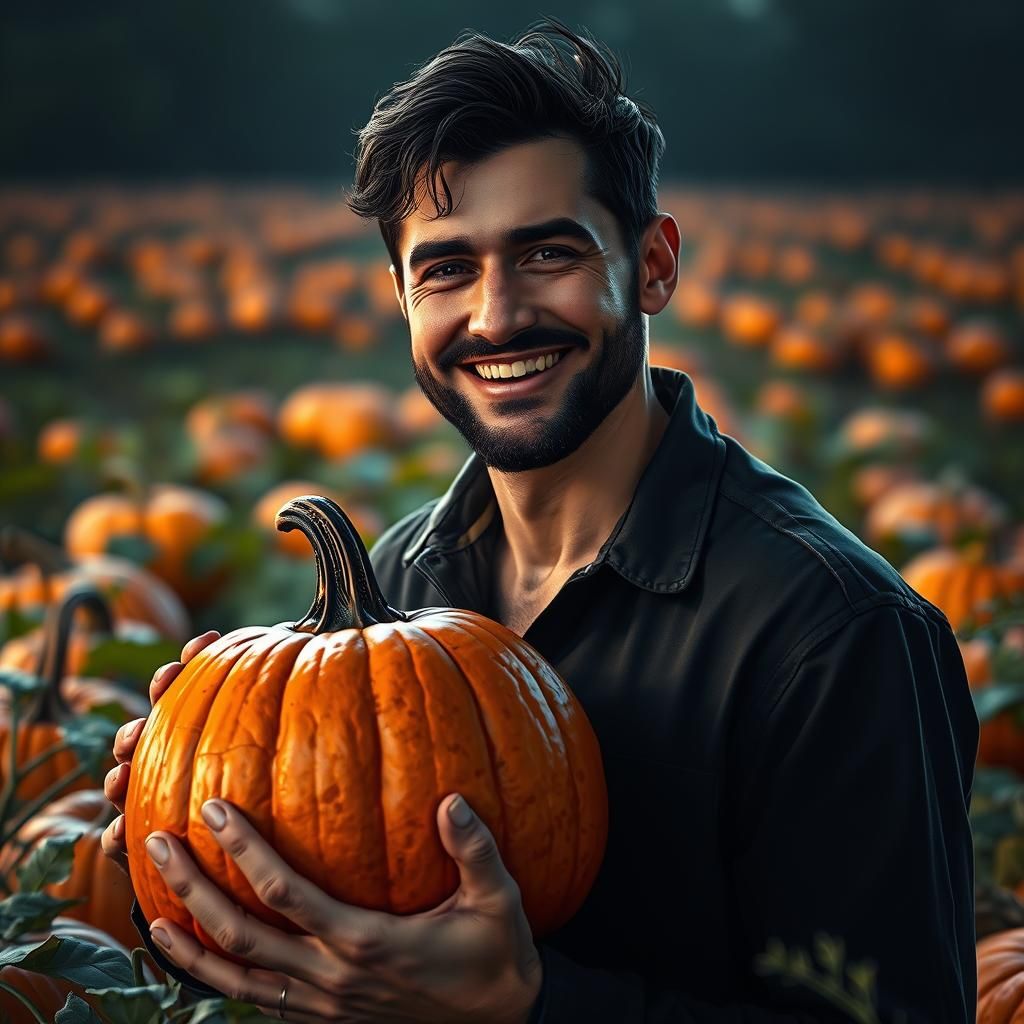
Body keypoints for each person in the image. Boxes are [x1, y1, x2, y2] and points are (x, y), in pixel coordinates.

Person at [102, 17, 979, 1023]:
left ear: (652, 266)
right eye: (445, 269)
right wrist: (183, 827)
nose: (495, 314)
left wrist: (529, 1005)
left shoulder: (832, 633)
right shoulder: (403, 575)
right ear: (399, 297)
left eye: (546, 252)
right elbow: (322, 952)